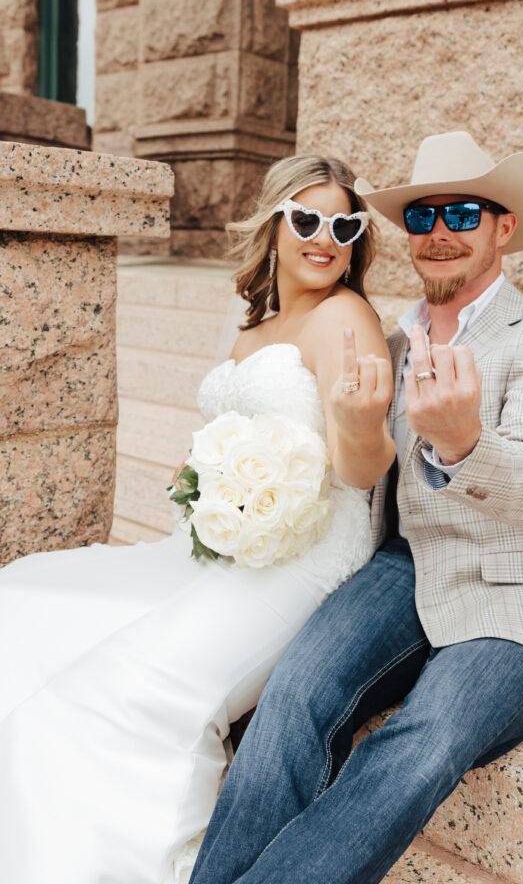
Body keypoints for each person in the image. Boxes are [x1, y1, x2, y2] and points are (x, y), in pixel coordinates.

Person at [188, 131, 523, 884]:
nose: (441, 231)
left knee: (425, 737)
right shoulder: (390, 340)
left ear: (503, 227)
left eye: (464, 213)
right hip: (399, 568)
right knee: (294, 696)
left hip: (517, 589)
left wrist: (464, 441)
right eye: (424, 215)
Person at [0, 155, 396, 884]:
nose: (325, 239)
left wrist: (362, 424)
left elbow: (359, 470)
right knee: (23, 598)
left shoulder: (347, 317)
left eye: (344, 226)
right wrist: (204, 481)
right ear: (275, 225)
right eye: (307, 220)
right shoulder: (258, 323)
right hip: (212, 543)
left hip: (304, 552)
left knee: (131, 688)